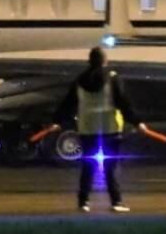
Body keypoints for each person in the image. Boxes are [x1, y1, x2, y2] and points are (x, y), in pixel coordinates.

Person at [48, 46, 147, 213]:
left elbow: (69, 103)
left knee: (88, 166)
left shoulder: (79, 81)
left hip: (87, 127)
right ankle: (116, 201)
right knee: (110, 167)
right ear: (104, 61)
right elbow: (123, 102)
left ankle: (83, 202)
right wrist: (137, 122)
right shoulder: (112, 78)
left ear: (89, 61)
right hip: (110, 127)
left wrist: (57, 121)